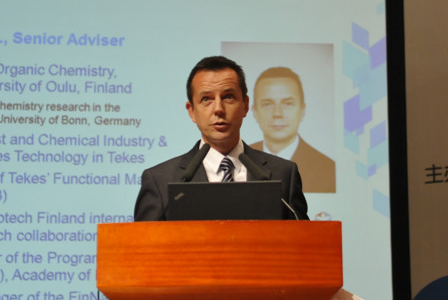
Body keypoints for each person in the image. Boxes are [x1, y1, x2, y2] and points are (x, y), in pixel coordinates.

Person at [134, 56, 308, 221]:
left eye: (228, 97)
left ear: (245, 106)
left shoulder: (283, 174)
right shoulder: (160, 181)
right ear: (192, 111)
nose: (218, 109)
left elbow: (304, 238)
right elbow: (144, 242)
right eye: (206, 99)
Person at [249, 67, 336, 193]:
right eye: (267, 104)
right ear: (255, 112)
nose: (277, 113)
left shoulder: (328, 169)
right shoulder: (239, 161)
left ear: (302, 110)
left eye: (288, 104)